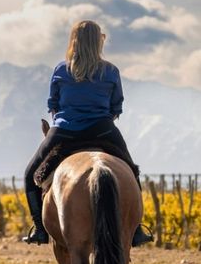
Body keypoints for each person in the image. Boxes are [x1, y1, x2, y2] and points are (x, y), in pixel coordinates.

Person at [22, 20, 153, 246]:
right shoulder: (111, 71)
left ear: (74, 41)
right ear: (98, 41)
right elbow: (116, 107)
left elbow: (53, 104)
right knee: (131, 171)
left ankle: (40, 230)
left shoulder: (61, 69)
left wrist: (68, 120)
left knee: (30, 175)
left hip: (64, 131)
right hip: (103, 129)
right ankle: (136, 231)